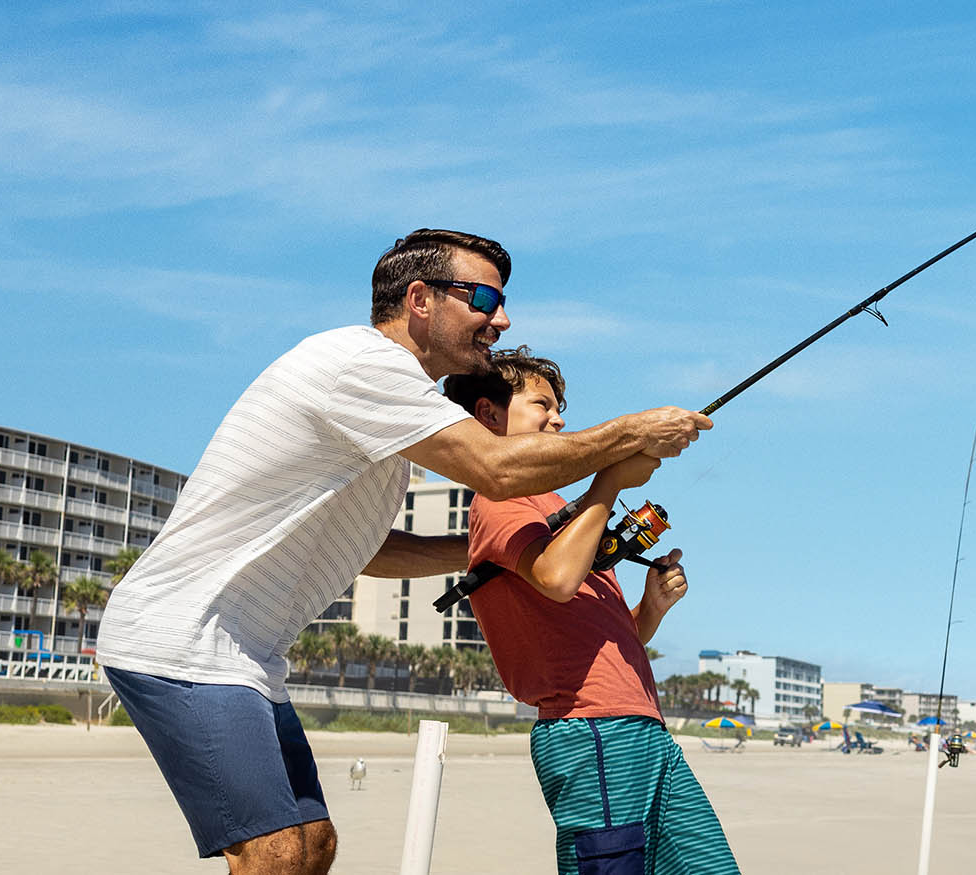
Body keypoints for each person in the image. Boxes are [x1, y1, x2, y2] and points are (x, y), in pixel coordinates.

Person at [93, 230, 711, 873]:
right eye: (482, 298)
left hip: (244, 653)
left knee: (310, 849)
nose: (500, 319)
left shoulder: (394, 411)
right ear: (419, 299)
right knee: (273, 854)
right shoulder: (363, 365)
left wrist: (480, 553)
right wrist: (628, 436)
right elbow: (495, 469)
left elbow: (370, 549)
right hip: (180, 641)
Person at [444, 348, 738, 874]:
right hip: (592, 731)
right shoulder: (500, 499)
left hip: (644, 728)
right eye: (542, 404)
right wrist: (610, 481)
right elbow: (556, 579)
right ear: (489, 415)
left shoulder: (562, 510)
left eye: (560, 407)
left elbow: (610, 639)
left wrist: (652, 607)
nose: (558, 418)